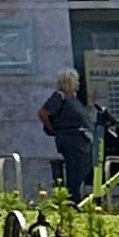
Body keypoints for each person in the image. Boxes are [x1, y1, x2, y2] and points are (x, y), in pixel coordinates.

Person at [38, 69, 98, 200]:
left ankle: (78, 198)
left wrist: (91, 105)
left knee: (83, 169)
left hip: (82, 139)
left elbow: (81, 117)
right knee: (75, 171)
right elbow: (43, 113)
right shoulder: (60, 96)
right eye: (76, 81)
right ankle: (73, 200)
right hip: (70, 139)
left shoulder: (74, 99)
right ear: (69, 82)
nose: (79, 83)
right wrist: (53, 129)